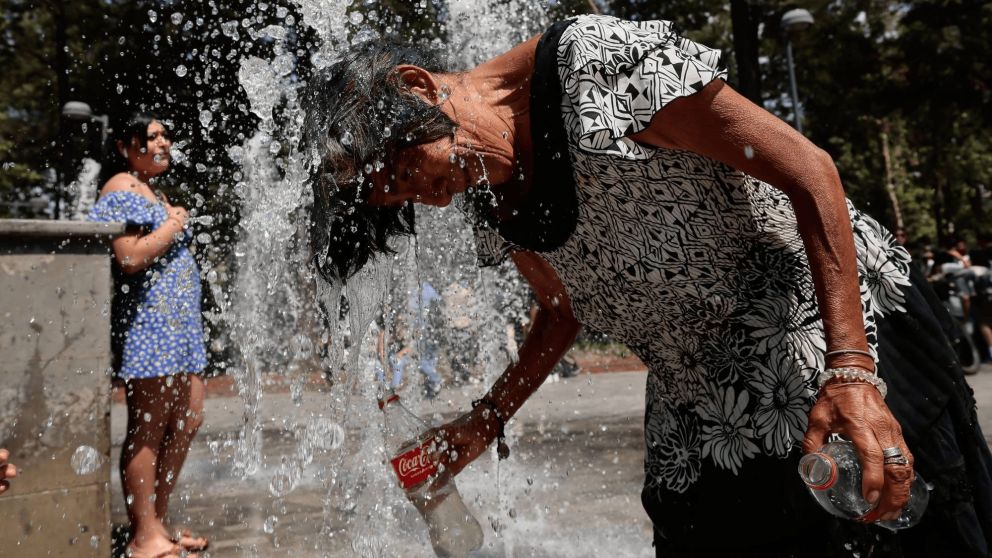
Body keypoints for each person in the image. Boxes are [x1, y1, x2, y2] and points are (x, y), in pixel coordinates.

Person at [301, 15, 992, 557]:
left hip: (828, 344)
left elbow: (811, 172)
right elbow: (562, 307)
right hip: (699, 402)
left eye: (409, 173)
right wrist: (487, 417)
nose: (435, 202)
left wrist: (852, 373)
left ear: (418, 86)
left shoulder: (592, 65)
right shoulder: (488, 186)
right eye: (405, 200)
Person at [88, 114, 208, 558]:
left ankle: (158, 522)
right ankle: (143, 536)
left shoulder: (153, 192)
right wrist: (174, 224)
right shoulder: (121, 186)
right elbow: (130, 257)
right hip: (150, 325)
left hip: (180, 329)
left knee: (188, 420)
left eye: (165, 134)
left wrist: (169, 217)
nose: (162, 141)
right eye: (151, 136)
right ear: (126, 146)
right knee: (149, 429)